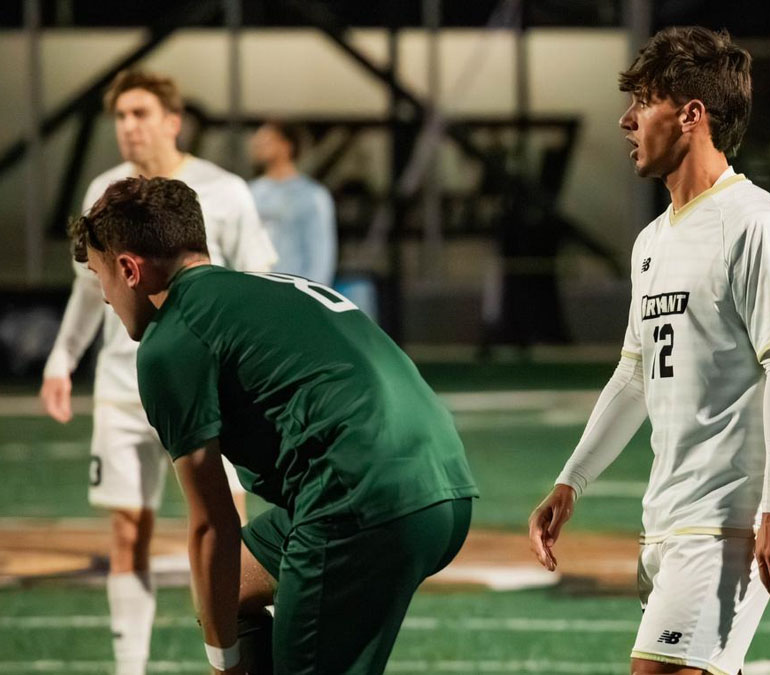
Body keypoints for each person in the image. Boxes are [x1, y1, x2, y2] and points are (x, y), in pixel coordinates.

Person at [71, 176, 478, 675]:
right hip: (448, 488)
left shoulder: (172, 338)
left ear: (130, 270)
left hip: (360, 501)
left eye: (100, 276)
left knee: (224, 595)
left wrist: (223, 663)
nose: (106, 299)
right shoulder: (271, 286)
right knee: (231, 588)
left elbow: (212, 524)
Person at [529, 27, 770, 675]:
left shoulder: (756, 225)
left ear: (691, 116)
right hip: (664, 517)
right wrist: (572, 479)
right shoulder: (652, 240)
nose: (627, 120)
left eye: (644, 103)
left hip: (725, 522)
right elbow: (634, 374)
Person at [39, 69, 276, 675]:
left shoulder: (223, 191)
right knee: (127, 531)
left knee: (232, 530)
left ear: (173, 121)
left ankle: (248, 658)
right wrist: (62, 359)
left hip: (204, 387)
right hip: (123, 389)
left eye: (140, 113)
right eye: (120, 116)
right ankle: (130, 668)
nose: (128, 127)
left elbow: (257, 281)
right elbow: (87, 291)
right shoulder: (104, 191)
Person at [249, 120, 338, 285]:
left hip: (296, 292)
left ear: (286, 146)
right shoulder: (249, 192)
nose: (258, 145)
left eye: (267, 140)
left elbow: (321, 254)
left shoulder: (312, 195)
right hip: (256, 292)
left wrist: (314, 296)